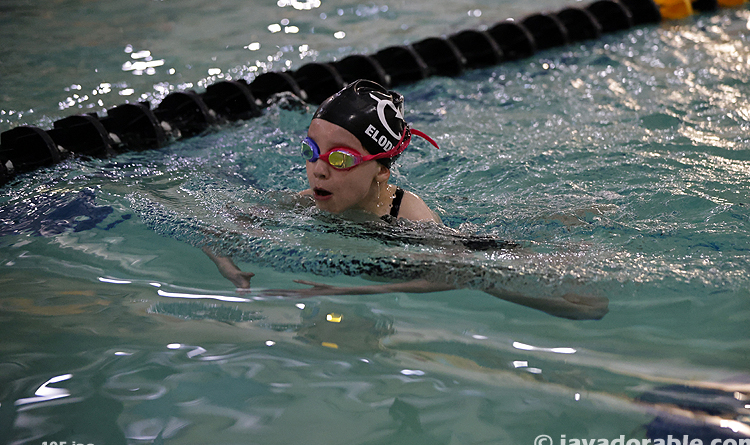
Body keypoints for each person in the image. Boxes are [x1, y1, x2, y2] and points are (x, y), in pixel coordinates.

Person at [204, 80, 608, 320]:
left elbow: (455, 275)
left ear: (381, 170)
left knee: (586, 305)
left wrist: (351, 293)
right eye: (311, 151)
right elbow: (218, 223)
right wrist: (228, 267)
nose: (319, 170)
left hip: (471, 250)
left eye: (340, 158)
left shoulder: (410, 217)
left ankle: (567, 220)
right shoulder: (310, 199)